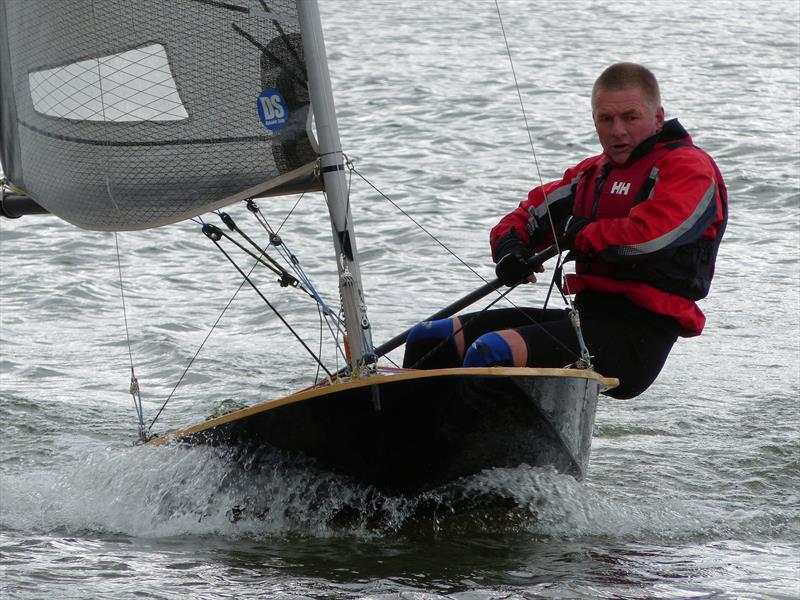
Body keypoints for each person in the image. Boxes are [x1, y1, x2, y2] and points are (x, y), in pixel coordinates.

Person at [402, 62, 727, 399]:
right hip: (586, 318)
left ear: (657, 118)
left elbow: (651, 237)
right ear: (594, 121)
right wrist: (512, 248)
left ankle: (479, 444)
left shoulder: (689, 169)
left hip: (638, 338)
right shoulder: (590, 175)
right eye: (606, 119)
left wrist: (583, 233)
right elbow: (526, 215)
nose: (617, 131)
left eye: (630, 117)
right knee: (428, 337)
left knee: (492, 351)